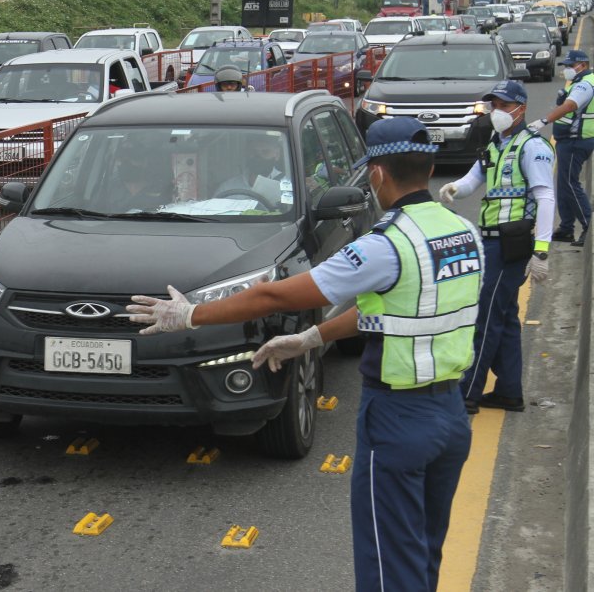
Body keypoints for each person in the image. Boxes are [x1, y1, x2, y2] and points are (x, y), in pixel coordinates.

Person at [127, 117, 481, 591]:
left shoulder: (388, 244)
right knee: (423, 550)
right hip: (450, 418)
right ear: (430, 166)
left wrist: (191, 315)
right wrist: (311, 339)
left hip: (399, 420)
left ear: (376, 175)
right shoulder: (462, 232)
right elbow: (401, 313)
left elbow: (276, 297)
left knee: (388, 563)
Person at [440, 79, 555, 414]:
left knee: (485, 317)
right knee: (503, 316)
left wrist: (542, 250)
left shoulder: (532, 148)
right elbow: (474, 178)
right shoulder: (496, 143)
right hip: (491, 241)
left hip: (512, 243)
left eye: (504, 106)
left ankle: (468, 393)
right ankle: (508, 391)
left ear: (520, 108)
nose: (497, 112)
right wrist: (453, 190)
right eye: (494, 105)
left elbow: (546, 197)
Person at [526, 49, 593, 246]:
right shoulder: (581, 82)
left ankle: (589, 227)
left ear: (582, 65)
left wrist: (544, 120)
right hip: (569, 140)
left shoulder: (585, 84)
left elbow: (570, 106)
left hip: (576, 140)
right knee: (563, 184)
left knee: (570, 184)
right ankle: (566, 228)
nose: (567, 70)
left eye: (570, 66)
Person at [214, 134, 287, 197]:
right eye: (254, 151)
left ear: (277, 155)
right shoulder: (228, 187)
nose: (259, 156)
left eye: (265, 152)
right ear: (247, 154)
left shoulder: (287, 186)